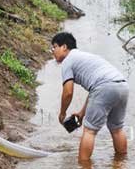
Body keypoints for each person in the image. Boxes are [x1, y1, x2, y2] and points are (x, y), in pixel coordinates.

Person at [51, 32, 129, 161]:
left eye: (54, 47)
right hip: (122, 86)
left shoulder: (68, 61)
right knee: (117, 129)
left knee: (89, 131)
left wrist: (62, 113)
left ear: (64, 47)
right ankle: (120, 168)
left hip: (104, 87)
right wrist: (82, 114)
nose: (53, 51)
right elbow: (95, 90)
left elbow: (68, 92)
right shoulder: (86, 56)